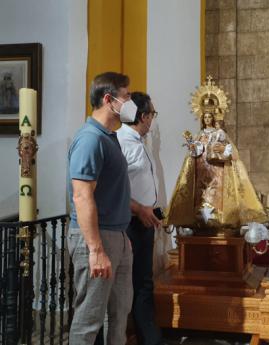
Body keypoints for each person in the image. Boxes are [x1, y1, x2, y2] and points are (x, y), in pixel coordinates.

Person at [67, 72, 136, 345]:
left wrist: (122, 237)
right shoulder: (90, 139)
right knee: (89, 319)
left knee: (119, 315)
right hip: (96, 239)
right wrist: (96, 250)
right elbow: (82, 197)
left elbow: (112, 192)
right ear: (109, 100)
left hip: (115, 235)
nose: (131, 102)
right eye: (127, 96)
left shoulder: (109, 137)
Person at [165, 96, 266, 231]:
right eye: (205, 117)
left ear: (213, 118)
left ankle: (219, 218)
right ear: (202, 118)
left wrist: (223, 149)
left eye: (209, 116)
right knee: (202, 195)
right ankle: (200, 218)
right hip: (201, 171)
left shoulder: (219, 133)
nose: (207, 119)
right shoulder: (199, 134)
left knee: (216, 194)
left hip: (217, 171)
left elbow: (233, 154)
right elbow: (195, 154)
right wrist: (193, 148)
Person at [117, 92, 164, 345]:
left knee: (144, 282)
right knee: (135, 285)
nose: (153, 120)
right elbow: (114, 189)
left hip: (144, 220)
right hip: (130, 224)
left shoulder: (138, 141)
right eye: (152, 115)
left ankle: (149, 338)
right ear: (143, 117)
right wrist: (139, 210)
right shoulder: (122, 142)